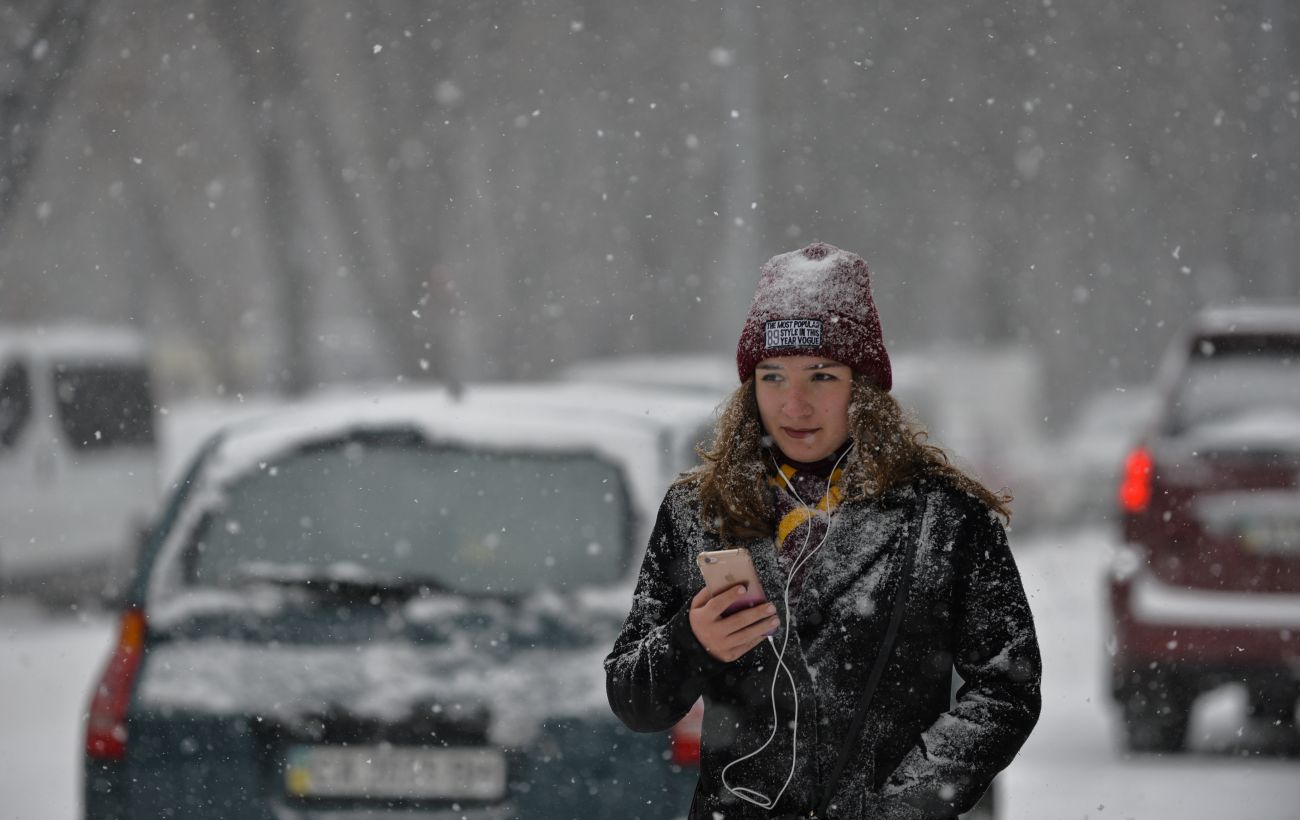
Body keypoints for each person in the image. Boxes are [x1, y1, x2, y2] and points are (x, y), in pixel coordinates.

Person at [604, 242, 1041, 819]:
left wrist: (905, 805)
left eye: (821, 376)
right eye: (773, 376)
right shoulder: (696, 512)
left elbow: (1007, 690)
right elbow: (634, 698)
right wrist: (691, 643)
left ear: (862, 387)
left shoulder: (948, 517)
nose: (795, 404)